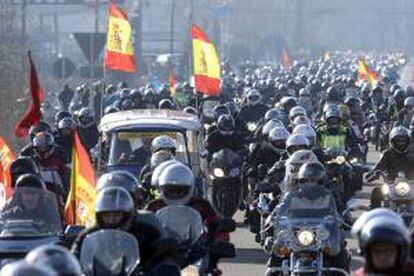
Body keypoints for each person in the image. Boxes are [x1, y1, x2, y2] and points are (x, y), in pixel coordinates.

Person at [145, 163, 230, 275]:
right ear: (162, 188)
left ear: (189, 188)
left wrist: (216, 239)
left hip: (194, 251)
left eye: (179, 190)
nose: (175, 193)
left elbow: (215, 223)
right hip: (160, 252)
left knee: (210, 272)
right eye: (171, 190)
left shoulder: (201, 205)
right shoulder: (155, 206)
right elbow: (143, 224)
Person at [71, 186, 176, 273]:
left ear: (127, 214)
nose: (111, 220)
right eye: (106, 215)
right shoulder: (88, 236)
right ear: (99, 216)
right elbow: (73, 259)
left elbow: (161, 256)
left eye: (116, 215)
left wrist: (158, 266)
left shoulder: (146, 233)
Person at [367, 126, 414, 208]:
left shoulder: (412, 154)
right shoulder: (387, 153)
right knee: (376, 192)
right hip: (391, 185)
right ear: (392, 141)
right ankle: (375, 215)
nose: (401, 143)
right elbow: (379, 166)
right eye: (398, 141)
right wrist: (374, 172)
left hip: (411, 185)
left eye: (403, 141)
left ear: (408, 141)